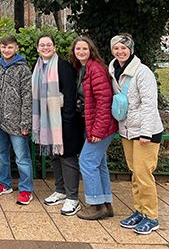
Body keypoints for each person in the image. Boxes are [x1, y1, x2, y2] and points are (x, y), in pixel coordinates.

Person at [109, 34, 164, 235]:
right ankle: (139, 211)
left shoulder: (142, 72)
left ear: (131, 50)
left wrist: (146, 133)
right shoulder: (114, 69)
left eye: (124, 48)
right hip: (127, 130)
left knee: (143, 173)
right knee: (135, 172)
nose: (120, 51)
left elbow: (150, 105)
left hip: (145, 132)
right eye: (116, 48)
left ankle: (151, 216)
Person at [32, 35, 83, 216]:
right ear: (38, 48)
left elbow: (70, 95)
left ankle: (73, 198)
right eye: (42, 45)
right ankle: (60, 190)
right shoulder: (37, 67)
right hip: (47, 120)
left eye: (49, 44)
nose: (45, 47)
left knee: (67, 156)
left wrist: (67, 120)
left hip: (64, 120)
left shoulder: (63, 66)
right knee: (54, 155)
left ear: (54, 47)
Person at [68, 36, 118, 220]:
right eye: (78, 49)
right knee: (99, 163)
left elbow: (104, 102)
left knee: (87, 162)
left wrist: (97, 131)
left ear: (91, 51)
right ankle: (106, 204)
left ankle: (96, 205)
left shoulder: (95, 69)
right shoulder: (83, 68)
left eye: (84, 49)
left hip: (101, 126)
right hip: (96, 124)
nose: (81, 52)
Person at [0, 35, 34, 205]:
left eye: (10, 47)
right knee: (0, 155)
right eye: (4, 47)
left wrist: (25, 122)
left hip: (17, 122)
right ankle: (4, 183)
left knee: (22, 157)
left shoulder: (23, 69)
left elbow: (27, 97)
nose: (6, 50)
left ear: (16, 49)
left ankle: (26, 189)